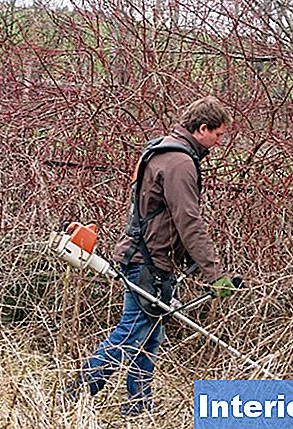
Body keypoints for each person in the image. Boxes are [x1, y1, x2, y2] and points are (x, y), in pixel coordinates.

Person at [67, 96, 237, 417]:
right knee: (129, 335)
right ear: (202, 128)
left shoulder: (162, 148)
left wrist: (190, 266)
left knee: (147, 340)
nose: (220, 141)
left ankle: (139, 409)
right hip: (148, 262)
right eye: (218, 134)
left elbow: (166, 219)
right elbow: (188, 221)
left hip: (149, 258)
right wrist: (215, 274)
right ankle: (72, 398)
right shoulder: (181, 163)